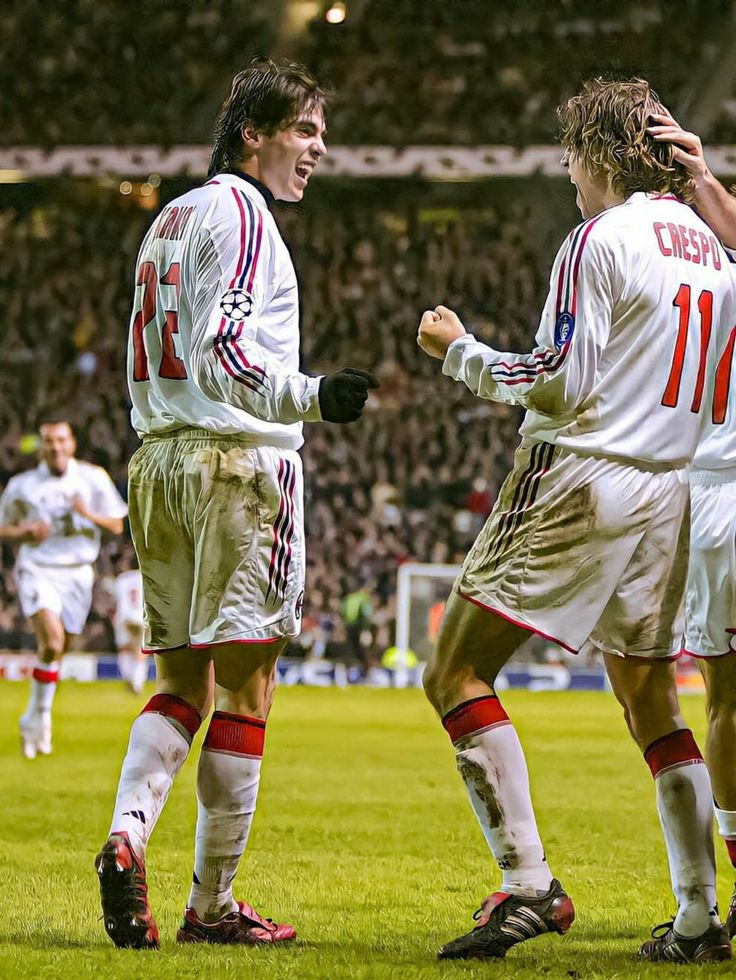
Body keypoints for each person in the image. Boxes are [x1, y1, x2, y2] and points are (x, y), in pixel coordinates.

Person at [416, 77, 736, 964]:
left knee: (455, 673)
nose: (569, 180)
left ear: (597, 154)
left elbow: (559, 378)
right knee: (651, 699)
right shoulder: (715, 250)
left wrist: (462, 355)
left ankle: (528, 886)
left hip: (583, 474)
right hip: (671, 485)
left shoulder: (599, 237)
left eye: (570, 162)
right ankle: (699, 915)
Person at [95, 58, 377, 951]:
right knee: (248, 687)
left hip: (159, 462)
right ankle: (211, 906)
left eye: (321, 134)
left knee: (181, 680)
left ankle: (126, 835)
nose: (317, 149)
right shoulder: (244, 213)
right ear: (252, 132)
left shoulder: (170, 217)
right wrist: (311, 393)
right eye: (304, 130)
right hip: (239, 468)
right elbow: (223, 350)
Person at [647, 111, 736, 939]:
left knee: (726, 701)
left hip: (713, 491)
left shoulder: (669, 251)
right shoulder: (717, 244)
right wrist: (701, 182)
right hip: (709, 487)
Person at [0, 419, 126, 758]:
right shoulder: (22, 485)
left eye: (60, 440)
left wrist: (87, 513)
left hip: (79, 574)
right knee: (52, 641)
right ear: (40, 447)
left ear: (71, 444)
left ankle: (34, 712)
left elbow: (116, 524)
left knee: (58, 648)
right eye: (48, 442)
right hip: (38, 568)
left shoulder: (92, 478)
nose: (55, 447)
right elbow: (3, 527)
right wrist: (23, 532)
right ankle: (40, 716)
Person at [112, 551, 147, 695]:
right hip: (141, 616)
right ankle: (137, 682)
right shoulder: (145, 577)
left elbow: (117, 599)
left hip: (124, 617)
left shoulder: (121, 578)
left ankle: (128, 677)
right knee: (140, 651)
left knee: (124, 649)